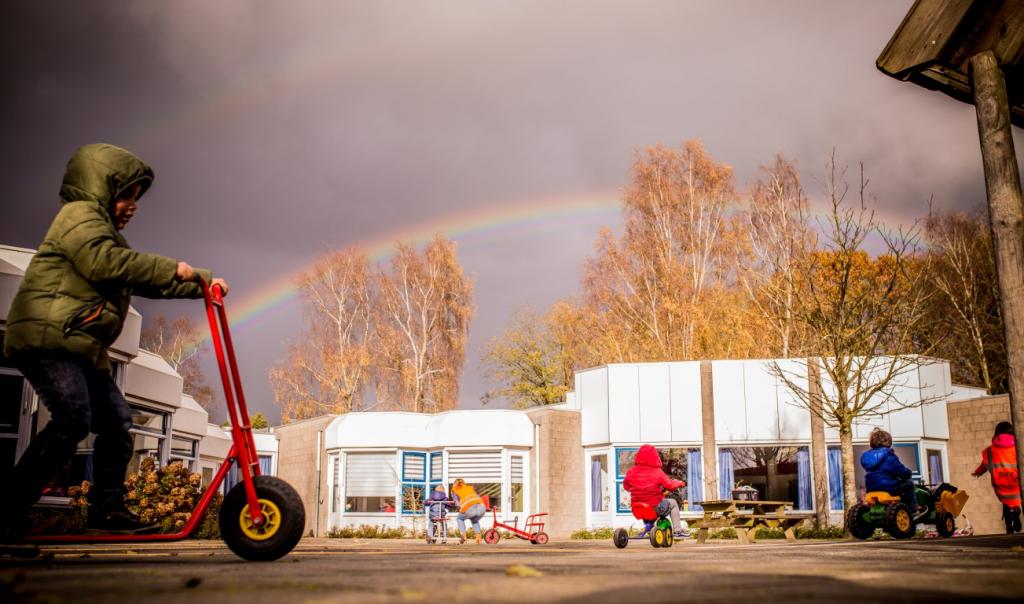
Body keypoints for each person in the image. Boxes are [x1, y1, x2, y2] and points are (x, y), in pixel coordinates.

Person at [0, 143, 227, 541]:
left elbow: (138, 276)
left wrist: (203, 285)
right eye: (126, 195)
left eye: (136, 197)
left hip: (81, 344)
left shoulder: (105, 235)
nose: (132, 205)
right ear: (100, 188)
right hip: (50, 337)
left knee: (117, 422)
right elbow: (105, 264)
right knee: (73, 419)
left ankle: (107, 509)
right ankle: (7, 512)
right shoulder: (79, 217)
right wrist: (175, 268)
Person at [623, 444, 690, 537]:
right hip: (655, 507)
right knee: (673, 503)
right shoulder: (657, 472)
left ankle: (649, 527)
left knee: (648, 508)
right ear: (654, 457)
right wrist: (679, 483)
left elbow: (626, 486)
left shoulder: (631, 472)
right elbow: (670, 485)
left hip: (637, 507)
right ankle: (677, 531)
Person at [972, 421, 1021, 534]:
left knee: (1006, 503)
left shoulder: (990, 450)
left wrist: (978, 472)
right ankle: (1016, 512)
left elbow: (984, 464)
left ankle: (1009, 527)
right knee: (1015, 502)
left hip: (1000, 484)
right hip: (1015, 483)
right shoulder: (1018, 447)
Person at [860, 428, 918, 515]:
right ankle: (913, 509)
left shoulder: (866, 456)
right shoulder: (888, 456)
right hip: (888, 487)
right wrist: (908, 473)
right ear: (888, 441)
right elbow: (901, 471)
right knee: (909, 484)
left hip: (871, 488)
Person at [450, 478, 486, 544]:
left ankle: (464, 538)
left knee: (459, 519)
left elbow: (457, 502)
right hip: (482, 507)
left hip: (469, 507)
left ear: (454, 484)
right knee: (474, 520)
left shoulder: (454, 489)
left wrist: (458, 508)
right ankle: (479, 539)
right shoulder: (469, 488)